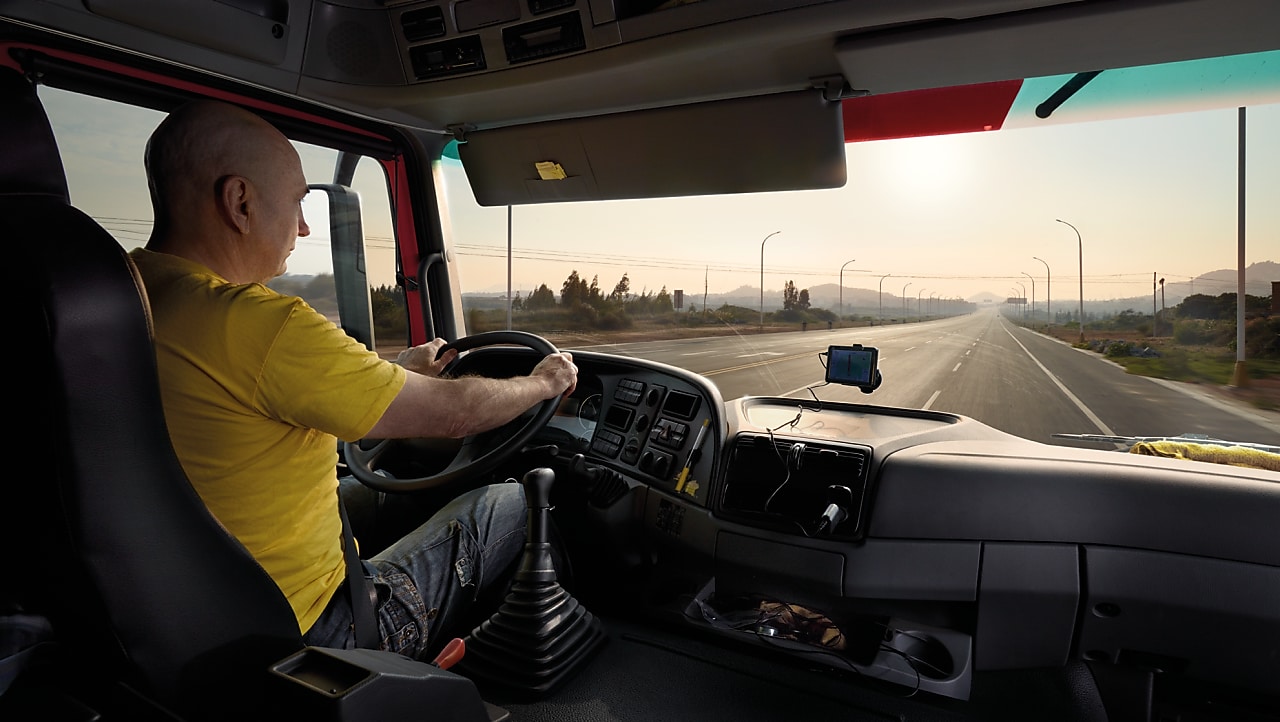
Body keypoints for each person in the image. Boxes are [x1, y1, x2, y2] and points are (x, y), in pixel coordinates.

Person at [129, 99, 577, 661]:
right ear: (239, 202)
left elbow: (256, 406)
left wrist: (392, 377)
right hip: (314, 636)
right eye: (295, 203)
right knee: (509, 504)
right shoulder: (260, 322)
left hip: (180, 614)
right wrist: (541, 382)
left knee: (375, 483)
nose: (304, 225)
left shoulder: (130, 293)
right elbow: (455, 413)